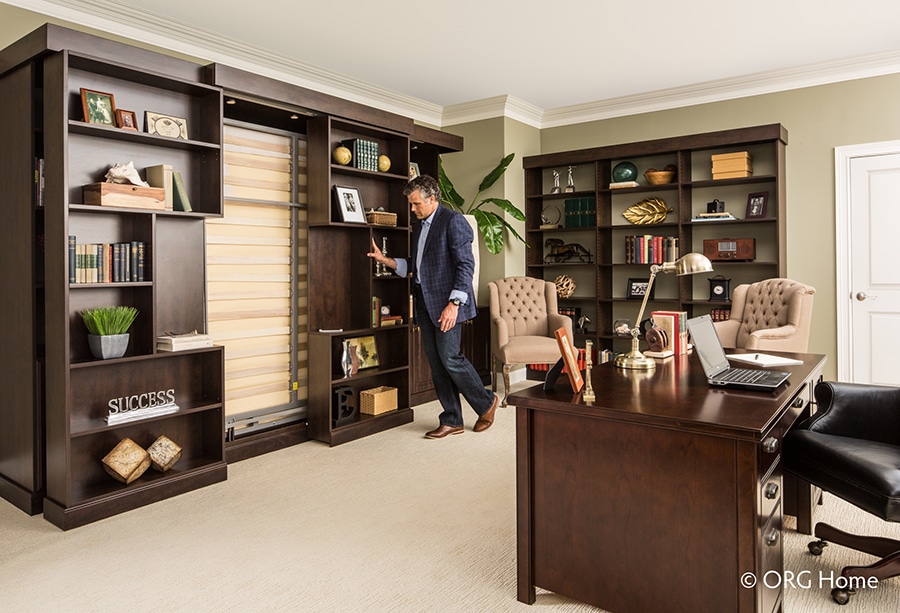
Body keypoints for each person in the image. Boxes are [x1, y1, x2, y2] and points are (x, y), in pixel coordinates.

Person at [367, 174, 498, 439]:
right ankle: (452, 419)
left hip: (449, 304)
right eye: (411, 204)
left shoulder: (453, 221)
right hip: (425, 304)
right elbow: (418, 265)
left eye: (416, 204)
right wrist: (388, 261)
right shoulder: (420, 227)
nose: (412, 209)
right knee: (437, 363)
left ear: (432, 198)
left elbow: (465, 265)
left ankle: (486, 402)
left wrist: (453, 304)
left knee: (451, 357)